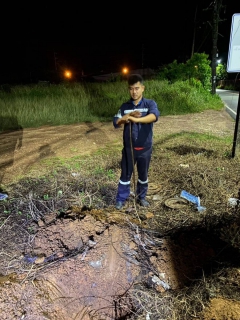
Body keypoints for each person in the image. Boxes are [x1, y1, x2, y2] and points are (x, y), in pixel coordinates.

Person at [113, 74, 160, 210]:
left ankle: (142, 197)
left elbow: (154, 116)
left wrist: (137, 120)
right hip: (129, 148)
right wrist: (127, 116)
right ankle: (121, 199)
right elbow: (116, 122)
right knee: (125, 175)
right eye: (131, 89)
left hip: (145, 148)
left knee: (143, 175)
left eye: (137, 88)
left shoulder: (149, 104)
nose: (134, 92)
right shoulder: (124, 106)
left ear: (143, 88)